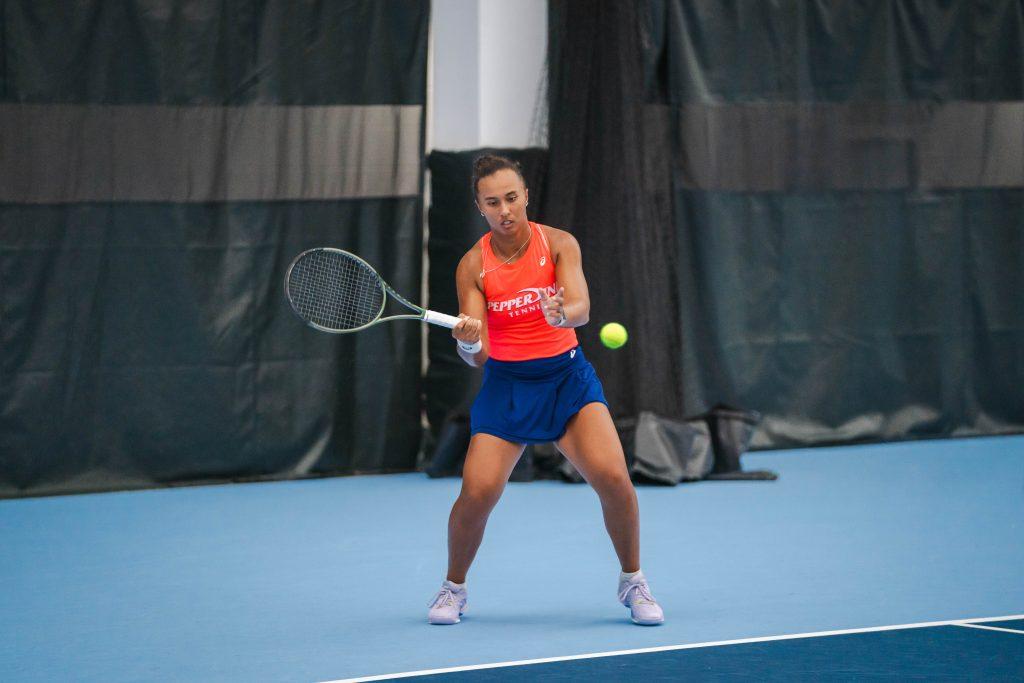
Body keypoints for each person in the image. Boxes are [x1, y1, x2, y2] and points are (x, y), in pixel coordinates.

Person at [427, 154, 664, 626]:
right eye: (493, 202)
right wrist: (468, 342)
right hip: (508, 387)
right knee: (477, 492)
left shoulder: (558, 244)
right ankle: (453, 588)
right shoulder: (473, 264)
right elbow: (480, 356)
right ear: (480, 207)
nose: (505, 210)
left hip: (566, 381)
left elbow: (580, 306)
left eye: (512, 197)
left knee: (615, 480)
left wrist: (561, 313)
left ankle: (633, 581)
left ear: (526, 195)